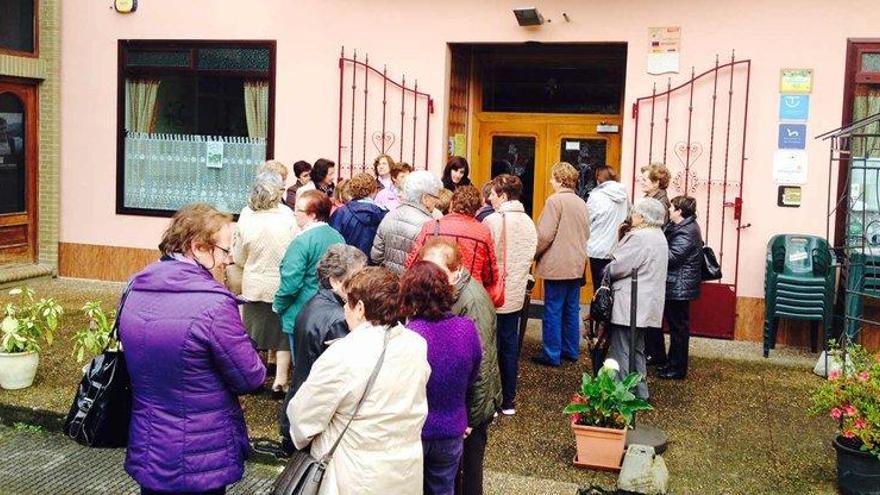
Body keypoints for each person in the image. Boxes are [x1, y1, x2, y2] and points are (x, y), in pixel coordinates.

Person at [120, 203, 266, 495]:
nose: (229, 260)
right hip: (202, 451)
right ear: (198, 247)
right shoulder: (214, 304)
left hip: (151, 443)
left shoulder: (134, 288)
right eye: (225, 251)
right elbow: (251, 377)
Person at [287, 268, 430, 495]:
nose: (344, 309)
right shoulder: (417, 345)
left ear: (361, 308)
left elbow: (304, 416)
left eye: (347, 303)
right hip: (404, 470)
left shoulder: (344, 354)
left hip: (352, 474)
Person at [417, 239, 500, 495]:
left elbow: (482, 366)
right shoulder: (449, 293)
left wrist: (471, 420)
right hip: (456, 412)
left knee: (467, 479)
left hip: (469, 413)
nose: (431, 277)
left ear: (456, 269)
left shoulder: (472, 301)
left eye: (438, 270)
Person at [401, 261, 482, 495]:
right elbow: (474, 373)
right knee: (444, 489)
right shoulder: (467, 329)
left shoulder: (410, 336)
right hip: (451, 429)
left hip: (415, 431)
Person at [279, 244, 367, 455]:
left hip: (300, 405)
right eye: (357, 276)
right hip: (315, 416)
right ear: (335, 281)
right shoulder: (340, 320)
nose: (363, 282)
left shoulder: (313, 303)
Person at [234, 173, 297, 399]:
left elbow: (239, 256)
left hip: (254, 283)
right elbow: (294, 250)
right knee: (281, 335)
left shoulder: (246, 215)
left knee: (252, 335)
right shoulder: (287, 216)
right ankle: (280, 381)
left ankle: (254, 377)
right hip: (280, 284)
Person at [483, 174, 537, 415]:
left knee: (490, 345)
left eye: (493, 194)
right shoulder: (528, 221)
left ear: (503, 196)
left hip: (494, 291)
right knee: (509, 343)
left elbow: (486, 256)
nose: (490, 198)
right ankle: (509, 399)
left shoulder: (494, 221)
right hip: (514, 292)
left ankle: (492, 399)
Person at [605, 198, 669, 400]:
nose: (632, 216)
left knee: (622, 349)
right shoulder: (659, 236)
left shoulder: (640, 237)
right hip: (646, 302)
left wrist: (607, 269)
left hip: (631, 302)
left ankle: (623, 393)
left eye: (634, 213)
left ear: (642, 217)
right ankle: (640, 392)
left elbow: (618, 266)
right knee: (636, 348)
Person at [532, 162, 591, 367]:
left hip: (557, 264)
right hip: (576, 263)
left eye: (552, 178)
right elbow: (587, 233)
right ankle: (571, 350)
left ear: (559, 179)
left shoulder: (554, 201)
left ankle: (551, 353)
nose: (550, 181)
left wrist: (533, 252)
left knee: (553, 310)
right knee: (571, 309)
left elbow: (545, 234)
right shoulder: (581, 202)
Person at [274, 191, 345, 356]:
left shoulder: (301, 241)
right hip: (331, 311)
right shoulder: (338, 237)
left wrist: (278, 305)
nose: (294, 213)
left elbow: (291, 283)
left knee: (302, 366)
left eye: (298, 210)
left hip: (302, 311)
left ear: (312, 215)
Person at [406, 185, 502, 307]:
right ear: (477, 208)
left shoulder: (431, 226)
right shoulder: (482, 232)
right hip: (469, 295)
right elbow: (491, 274)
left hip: (435, 291)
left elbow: (412, 262)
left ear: (452, 203)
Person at [658, 196, 704, 380]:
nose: (668, 210)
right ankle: (672, 363)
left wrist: (654, 249)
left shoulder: (687, 231)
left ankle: (677, 368)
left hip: (679, 286)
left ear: (679, 211)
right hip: (676, 284)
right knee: (677, 327)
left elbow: (673, 257)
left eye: (671, 208)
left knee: (678, 329)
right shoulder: (680, 226)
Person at [372, 170, 442, 273]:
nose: (437, 201)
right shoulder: (429, 225)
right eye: (436, 197)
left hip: (389, 283)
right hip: (414, 285)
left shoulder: (390, 216)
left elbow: (376, 256)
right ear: (425, 198)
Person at [641, 163, 672, 367]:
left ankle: (655, 353)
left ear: (656, 182)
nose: (641, 182)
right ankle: (653, 351)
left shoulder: (658, 204)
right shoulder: (652, 199)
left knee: (650, 308)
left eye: (645, 179)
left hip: (651, 259)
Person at [586, 166, 630, 288]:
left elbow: (587, 219)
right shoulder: (624, 195)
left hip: (597, 248)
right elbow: (628, 215)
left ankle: (599, 307)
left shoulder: (596, 196)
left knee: (599, 288)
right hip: (617, 247)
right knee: (613, 287)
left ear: (599, 178)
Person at [329, 173, 387, 262]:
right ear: (374, 190)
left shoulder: (341, 212)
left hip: (346, 265)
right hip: (374, 268)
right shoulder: (384, 214)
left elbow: (333, 242)